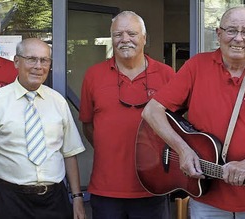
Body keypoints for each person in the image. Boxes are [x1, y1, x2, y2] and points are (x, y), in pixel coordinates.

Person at [142, 7, 245, 219]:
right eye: (231, 30)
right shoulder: (196, 66)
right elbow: (152, 111)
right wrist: (182, 149)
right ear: (218, 34)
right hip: (206, 197)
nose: (238, 38)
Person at [79, 11, 175, 218]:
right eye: (118, 34)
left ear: (144, 38)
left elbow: (179, 127)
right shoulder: (93, 75)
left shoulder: (167, 74)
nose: (125, 40)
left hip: (154, 187)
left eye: (131, 33)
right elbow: (88, 125)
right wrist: (111, 149)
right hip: (106, 189)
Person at [0, 38, 86, 219]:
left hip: (54, 201)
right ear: (16, 62)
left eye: (44, 60)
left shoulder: (58, 101)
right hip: (9, 200)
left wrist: (77, 198)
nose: (38, 66)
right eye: (31, 59)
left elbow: (69, 153)